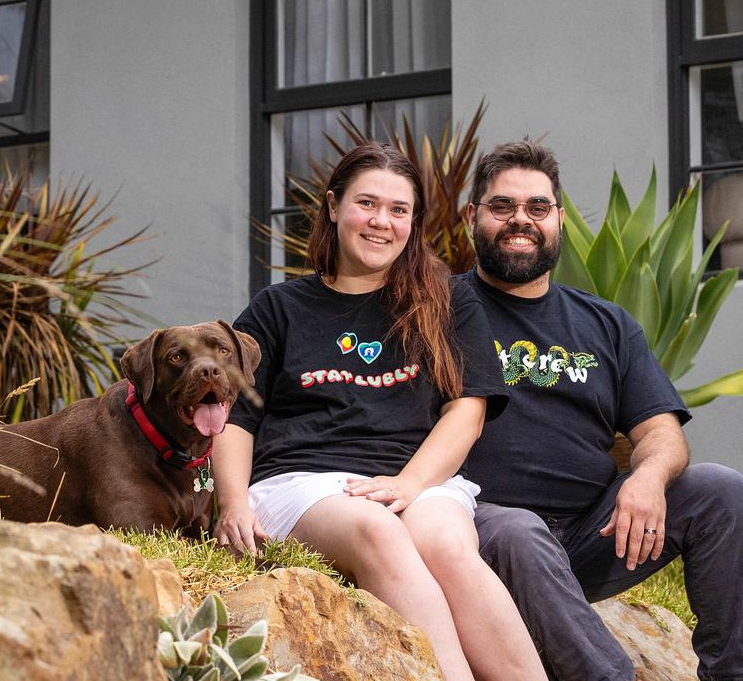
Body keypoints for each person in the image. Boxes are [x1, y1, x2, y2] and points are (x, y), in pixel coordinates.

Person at [212, 142, 548, 681]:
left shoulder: (446, 302)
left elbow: (469, 410)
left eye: (398, 210)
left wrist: (410, 484)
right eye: (367, 204)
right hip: (304, 483)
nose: (381, 222)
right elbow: (235, 417)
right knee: (378, 530)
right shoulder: (278, 308)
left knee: (448, 545)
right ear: (332, 206)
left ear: (413, 223)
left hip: (414, 479)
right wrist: (231, 504)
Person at [460, 140, 743, 681]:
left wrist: (647, 476)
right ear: (473, 216)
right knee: (521, 532)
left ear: (558, 220)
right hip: (484, 531)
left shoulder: (608, 324)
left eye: (537, 207)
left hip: (593, 535)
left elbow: (662, 432)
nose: (519, 220)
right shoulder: (438, 309)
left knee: (721, 488)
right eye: (501, 206)